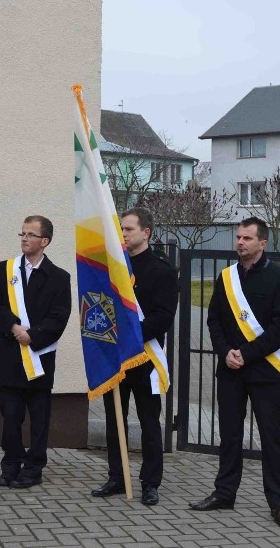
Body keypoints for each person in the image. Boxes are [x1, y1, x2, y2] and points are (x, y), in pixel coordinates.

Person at [190, 216, 280, 527]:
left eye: (247, 238)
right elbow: (214, 321)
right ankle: (224, 493)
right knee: (230, 436)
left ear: (262, 243)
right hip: (231, 372)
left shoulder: (278, 278)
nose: (240, 243)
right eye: (238, 237)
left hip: (264, 372)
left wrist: (246, 354)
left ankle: (279, 502)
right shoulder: (226, 278)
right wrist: (226, 353)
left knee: (271, 439)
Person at [91, 208, 177, 506]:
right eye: (121, 229)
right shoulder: (113, 268)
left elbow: (163, 318)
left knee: (149, 422)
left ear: (146, 233)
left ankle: (150, 482)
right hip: (116, 357)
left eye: (128, 229)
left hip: (144, 358)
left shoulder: (162, 270)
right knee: (116, 419)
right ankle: (117, 476)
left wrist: (130, 334)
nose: (123, 234)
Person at [0, 215, 71, 489]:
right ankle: (10, 466)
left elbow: (59, 317)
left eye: (31, 235)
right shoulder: (5, 269)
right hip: (9, 356)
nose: (24, 238)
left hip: (39, 358)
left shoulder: (58, 277)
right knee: (10, 416)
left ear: (44, 241)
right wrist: (12, 326)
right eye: (22, 233)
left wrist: (31, 335)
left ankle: (33, 468)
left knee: (39, 419)